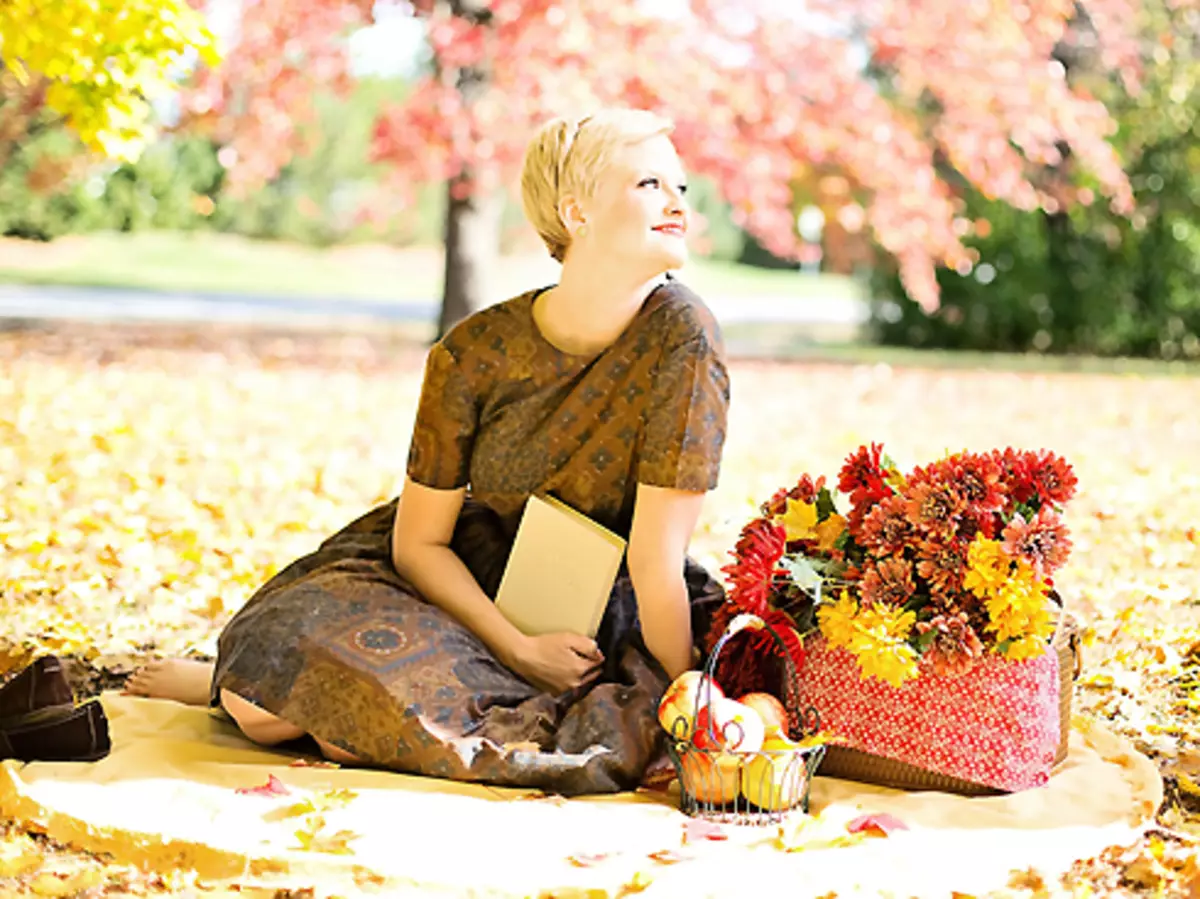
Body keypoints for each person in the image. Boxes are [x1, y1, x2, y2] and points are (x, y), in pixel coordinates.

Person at [125, 108, 731, 793]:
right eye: (650, 182)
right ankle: (231, 687)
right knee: (256, 704)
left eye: (680, 185)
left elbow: (655, 561)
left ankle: (328, 716)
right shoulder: (472, 352)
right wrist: (514, 644)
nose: (679, 202)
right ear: (576, 211)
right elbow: (419, 543)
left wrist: (688, 701)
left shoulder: (684, 336)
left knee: (350, 721)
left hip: (604, 608)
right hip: (459, 585)